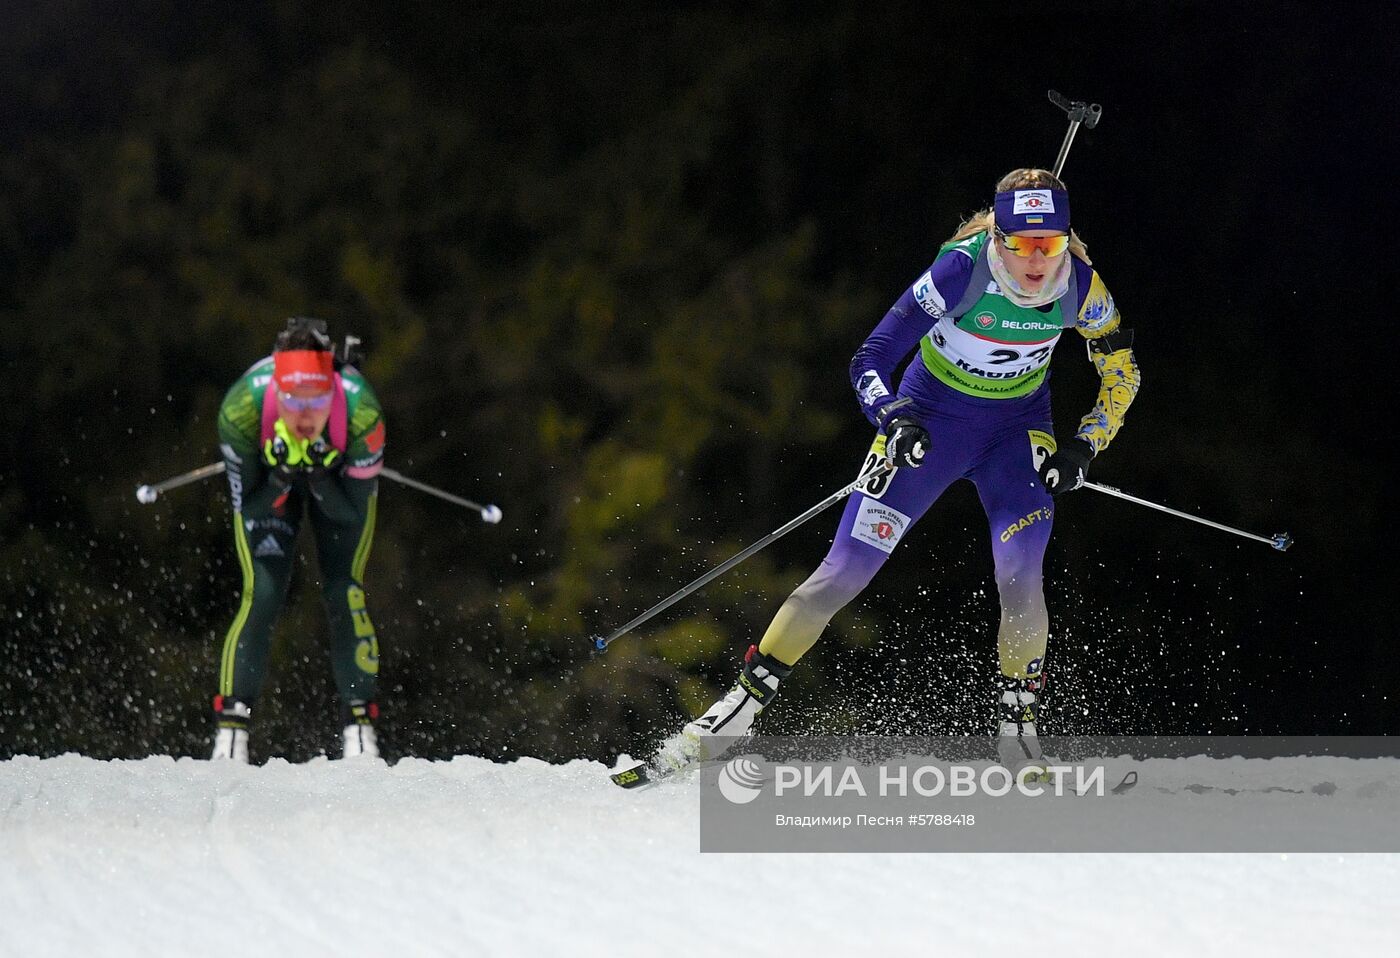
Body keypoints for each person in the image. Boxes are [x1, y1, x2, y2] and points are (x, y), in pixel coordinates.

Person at [654, 169, 1141, 772]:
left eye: (1050, 243)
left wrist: (1083, 447)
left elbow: (1123, 374)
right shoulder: (961, 271)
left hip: (1015, 437)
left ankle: (1018, 736)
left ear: (1067, 237)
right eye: (1019, 244)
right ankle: (732, 715)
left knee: (1021, 574)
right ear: (999, 238)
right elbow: (872, 357)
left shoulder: (1084, 290)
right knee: (843, 574)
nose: (1037, 260)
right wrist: (895, 418)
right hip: (931, 426)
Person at [210, 317, 388, 762]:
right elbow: (248, 507)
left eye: (318, 399)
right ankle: (231, 733)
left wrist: (322, 476)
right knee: (263, 593)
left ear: (333, 390)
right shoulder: (242, 410)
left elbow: (351, 509)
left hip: (338, 478)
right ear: (276, 391)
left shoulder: (363, 413)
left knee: (344, 588)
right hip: (271, 484)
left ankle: (361, 731)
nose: (305, 414)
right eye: (292, 399)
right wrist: (282, 477)